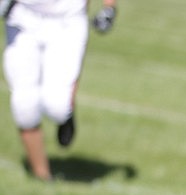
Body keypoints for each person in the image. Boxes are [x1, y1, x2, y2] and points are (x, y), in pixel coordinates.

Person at [2, 0, 117, 181]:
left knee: (57, 106)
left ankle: (66, 113)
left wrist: (109, 8)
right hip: (22, 17)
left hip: (66, 19)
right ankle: (42, 178)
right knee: (24, 105)